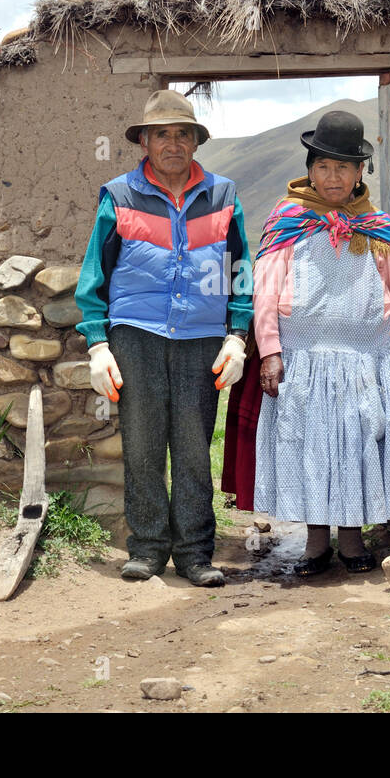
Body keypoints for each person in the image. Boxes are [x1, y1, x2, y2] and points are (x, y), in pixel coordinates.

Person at [74, 89, 253, 587]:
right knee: (144, 445)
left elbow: (240, 270)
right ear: (146, 141)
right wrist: (97, 343)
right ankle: (148, 548)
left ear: (195, 142)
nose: (173, 143)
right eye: (162, 134)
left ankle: (196, 554)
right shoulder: (120, 195)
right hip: (137, 335)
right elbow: (95, 274)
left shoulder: (223, 194)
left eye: (183, 134)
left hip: (202, 338)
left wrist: (238, 335)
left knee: (195, 448)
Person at [252, 110, 390, 576]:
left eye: (343, 168)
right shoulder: (288, 220)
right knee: (309, 447)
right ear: (310, 169)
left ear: (359, 174)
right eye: (323, 167)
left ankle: (351, 542)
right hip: (304, 360)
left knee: (357, 446)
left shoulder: (375, 226)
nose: (333, 177)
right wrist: (270, 352)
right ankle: (315, 545)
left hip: (365, 362)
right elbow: (265, 291)